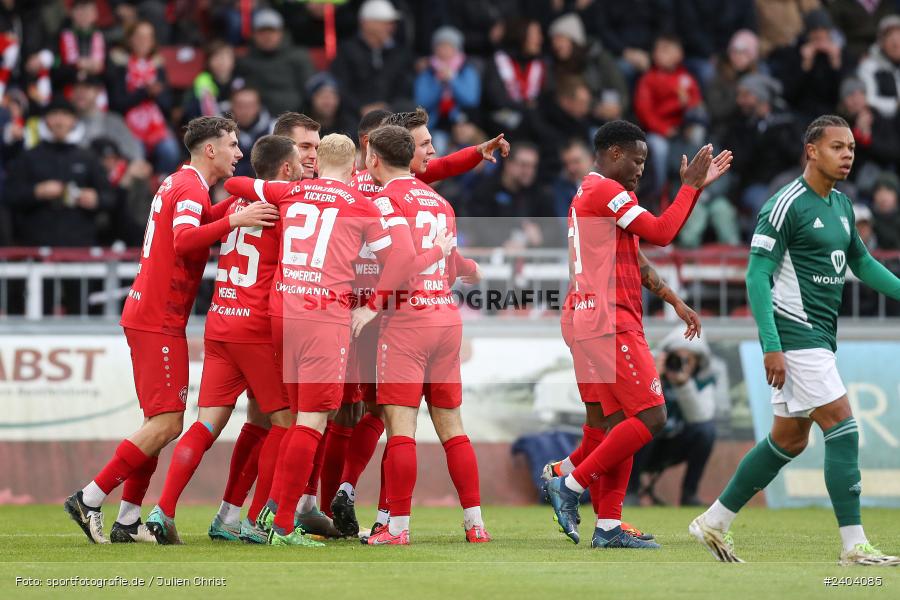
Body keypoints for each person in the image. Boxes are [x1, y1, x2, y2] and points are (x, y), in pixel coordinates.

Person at [689, 115, 900, 566]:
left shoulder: (842, 207)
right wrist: (771, 344)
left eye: (851, 148)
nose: (847, 155)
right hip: (794, 335)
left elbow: (861, 265)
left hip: (819, 338)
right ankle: (853, 545)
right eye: (837, 147)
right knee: (843, 427)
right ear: (811, 150)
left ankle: (714, 520)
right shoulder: (785, 205)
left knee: (788, 440)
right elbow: (757, 276)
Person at [62, 116, 277, 544]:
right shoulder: (191, 187)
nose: (239, 153)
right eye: (233, 145)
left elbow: (193, 227)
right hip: (158, 319)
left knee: (156, 422)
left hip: (151, 314)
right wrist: (234, 222)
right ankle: (89, 497)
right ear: (210, 149)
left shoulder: (180, 184)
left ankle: (127, 519)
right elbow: (183, 240)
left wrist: (232, 210)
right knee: (166, 422)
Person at [223, 133, 424, 546]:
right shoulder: (361, 203)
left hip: (282, 313)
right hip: (324, 317)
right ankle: (281, 524)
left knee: (297, 418)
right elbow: (401, 258)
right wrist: (371, 306)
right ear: (355, 168)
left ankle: (269, 515)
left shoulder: (291, 191)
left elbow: (234, 184)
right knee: (314, 421)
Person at [544, 120, 731, 548]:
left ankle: (608, 527)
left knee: (616, 427)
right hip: (609, 319)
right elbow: (663, 234)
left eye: (644, 162)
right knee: (651, 417)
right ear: (613, 153)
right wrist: (692, 188)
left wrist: (674, 300)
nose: (641, 169)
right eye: (637, 159)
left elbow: (638, 259)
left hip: (588, 316)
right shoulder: (607, 192)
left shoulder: (592, 194)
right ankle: (570, 484)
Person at [329, 108, 509, 537]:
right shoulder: (439, 201)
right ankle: (474, 523)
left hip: (389, 315)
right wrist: (463, 264)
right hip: (439, 316)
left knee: (388, 421)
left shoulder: (379, 196)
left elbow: (406, 260)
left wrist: (370, 303)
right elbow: (442, 256)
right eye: (423, 144)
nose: (430, 152)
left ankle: (386, 517)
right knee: (441, 425)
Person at [143, 135, 303, 546]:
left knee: (206, 424)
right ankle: (252, 519)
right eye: (301, 160)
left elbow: (228, 201)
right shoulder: (282, 209)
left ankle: (164, 508)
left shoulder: (234, 204)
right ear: (286, 169)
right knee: (285, 424)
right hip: (256, 330)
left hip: (219, 323)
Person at [626, 327, 727, 507]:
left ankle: (689, 494)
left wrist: (684, 385)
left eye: (688, 359)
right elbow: (629, 409)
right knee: (648, 424)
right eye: (676, 357)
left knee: (706, 431)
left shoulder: (703, 382)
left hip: (672, 447)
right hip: (638, 447)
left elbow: (700, 417)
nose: (680, 363)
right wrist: (652, 377)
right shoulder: (647, 370)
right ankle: (630, 492)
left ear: (698, 362)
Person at [5, 97, 114, 247]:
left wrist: (96, 199)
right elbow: (10, 194)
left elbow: (111, 196)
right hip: (36, 248)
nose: (59, 120)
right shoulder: (29, 156)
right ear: (45, 119)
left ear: (74, 120)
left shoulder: (88, 157)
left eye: (65, 114)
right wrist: (37, 192)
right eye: (54, 114)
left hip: (80, 247)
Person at [633, 34, 702, 199]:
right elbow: (644, 112)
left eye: (665, 50)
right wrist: (664, 129)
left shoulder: (686, 78)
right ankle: (659, 191)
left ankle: (694, 187)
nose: (658, 54)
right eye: (657, 50)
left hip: (683, 128)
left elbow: (697, 105)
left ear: (679, 54)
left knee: (698, 134)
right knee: (659, 148)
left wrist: (688, 107)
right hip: (658, 132)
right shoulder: (649, 79)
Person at [107, 20, 181, 174]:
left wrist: (156, 94)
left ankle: (162, 187)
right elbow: (116, 103)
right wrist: (144, 93)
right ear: (130, 39)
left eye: (148, 37)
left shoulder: (158, 67)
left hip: (157, 127)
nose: (143, 41)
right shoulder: (120, 65)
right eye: (139, 36)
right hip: (127, 127)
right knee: (136, 153)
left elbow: (167, 105)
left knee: (170, 150)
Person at [329, 0, 413, 118]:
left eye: (391, 23)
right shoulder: (347, 51)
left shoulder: (399, 53)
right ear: (366, 23)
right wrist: (360, 108)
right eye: (385, 23)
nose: (391, 27)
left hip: (391, 114)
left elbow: (405, 88)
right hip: (353, 116)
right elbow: (340, 86)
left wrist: (387, 107)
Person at [234, 8, 314, 117]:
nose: (267, 36)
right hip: (259, 122)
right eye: (262, 32)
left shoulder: (298, 57)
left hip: (297, 117)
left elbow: (311, 90)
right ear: (254, 35)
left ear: (281, 32)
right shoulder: (245, 62)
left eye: (272, 31)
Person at [413, 26, 481, 152]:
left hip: (462, 122)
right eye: (440, 46)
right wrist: (439, 83)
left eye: (448, 46)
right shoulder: (427, 72)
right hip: (435, 124)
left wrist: (453, 80)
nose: (443, 50)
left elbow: (471, 100)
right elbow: (421, 102)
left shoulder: (467, 70)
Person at [857, 15, 900, 119]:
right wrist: (896, 105)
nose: (896, 43)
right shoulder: (868, 66)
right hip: (882, 123)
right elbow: (868, 99)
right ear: (881, 42)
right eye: (890, 37)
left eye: (898, 36)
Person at [230, 87, 272, 177]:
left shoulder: (272, 131)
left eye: (249, 106)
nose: (245, 111)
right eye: (240, 106)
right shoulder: (219, 132)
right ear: (232, 106)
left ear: (258, 106)